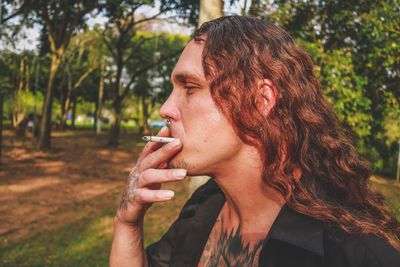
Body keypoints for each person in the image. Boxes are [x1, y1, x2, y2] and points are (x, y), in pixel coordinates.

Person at [109, 16, 400, 267]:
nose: (166, 109)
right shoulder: (204, 206)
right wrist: (127, 223)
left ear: (261, 100)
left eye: (190, 87)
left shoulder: (354, 253)